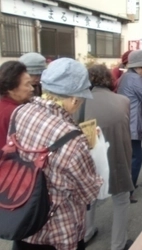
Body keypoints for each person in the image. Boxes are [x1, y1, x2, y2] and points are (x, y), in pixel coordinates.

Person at [10, 58, 103, 250]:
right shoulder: (73, 140)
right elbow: (89, 192)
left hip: (23, 219)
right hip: (57, 233)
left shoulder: (20, 112)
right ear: (75, 99)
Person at [85, 64, 134, 250]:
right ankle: (118, 244)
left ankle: (86, 232)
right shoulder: (123, 101)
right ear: (109, 79)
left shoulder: (80, 103)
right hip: (117, 157)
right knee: (121, 200)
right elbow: (125, 133)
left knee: (89, 198)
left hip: (90, 160)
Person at [117, 50, 142, 202]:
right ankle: (128, 191)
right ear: (140, 67)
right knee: (136, 158)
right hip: (133, 124)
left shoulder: (125, 76)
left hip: (126, 121)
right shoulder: (136, 79)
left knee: (130, 157)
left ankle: (128, 187)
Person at [0, 61, 33, 149]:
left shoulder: (3, 105)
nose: (32, 88)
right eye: (27, 84)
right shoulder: (16, 112)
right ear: (12, 89)